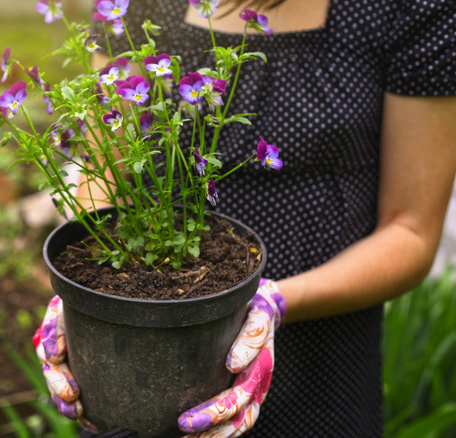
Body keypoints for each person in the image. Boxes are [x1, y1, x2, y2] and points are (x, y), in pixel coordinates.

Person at [33, 0, 456, 436]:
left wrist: (271, 301)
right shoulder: (133, 7)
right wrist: (81, 297)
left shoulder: (409, 9)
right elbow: (106, 173)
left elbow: (410, 230)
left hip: (320, 369)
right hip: (138, 361)